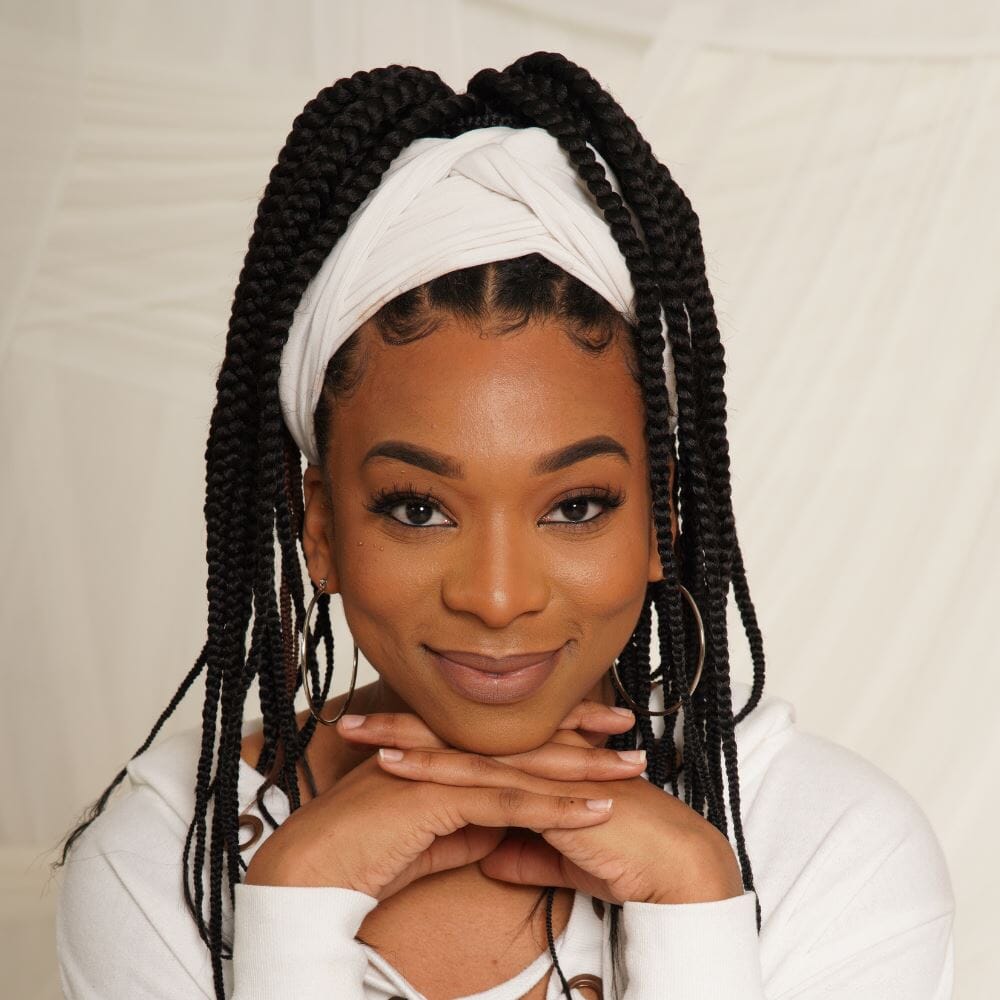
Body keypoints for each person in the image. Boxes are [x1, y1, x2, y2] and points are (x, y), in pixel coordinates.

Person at [51, 53, 955, 1000]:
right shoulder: (161, 869)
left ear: (663, 519)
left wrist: (696, 909)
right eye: (416, 508)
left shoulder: (827, 846)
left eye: (575, 506)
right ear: (319, 527)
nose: (496, 595)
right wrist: (293, 907)